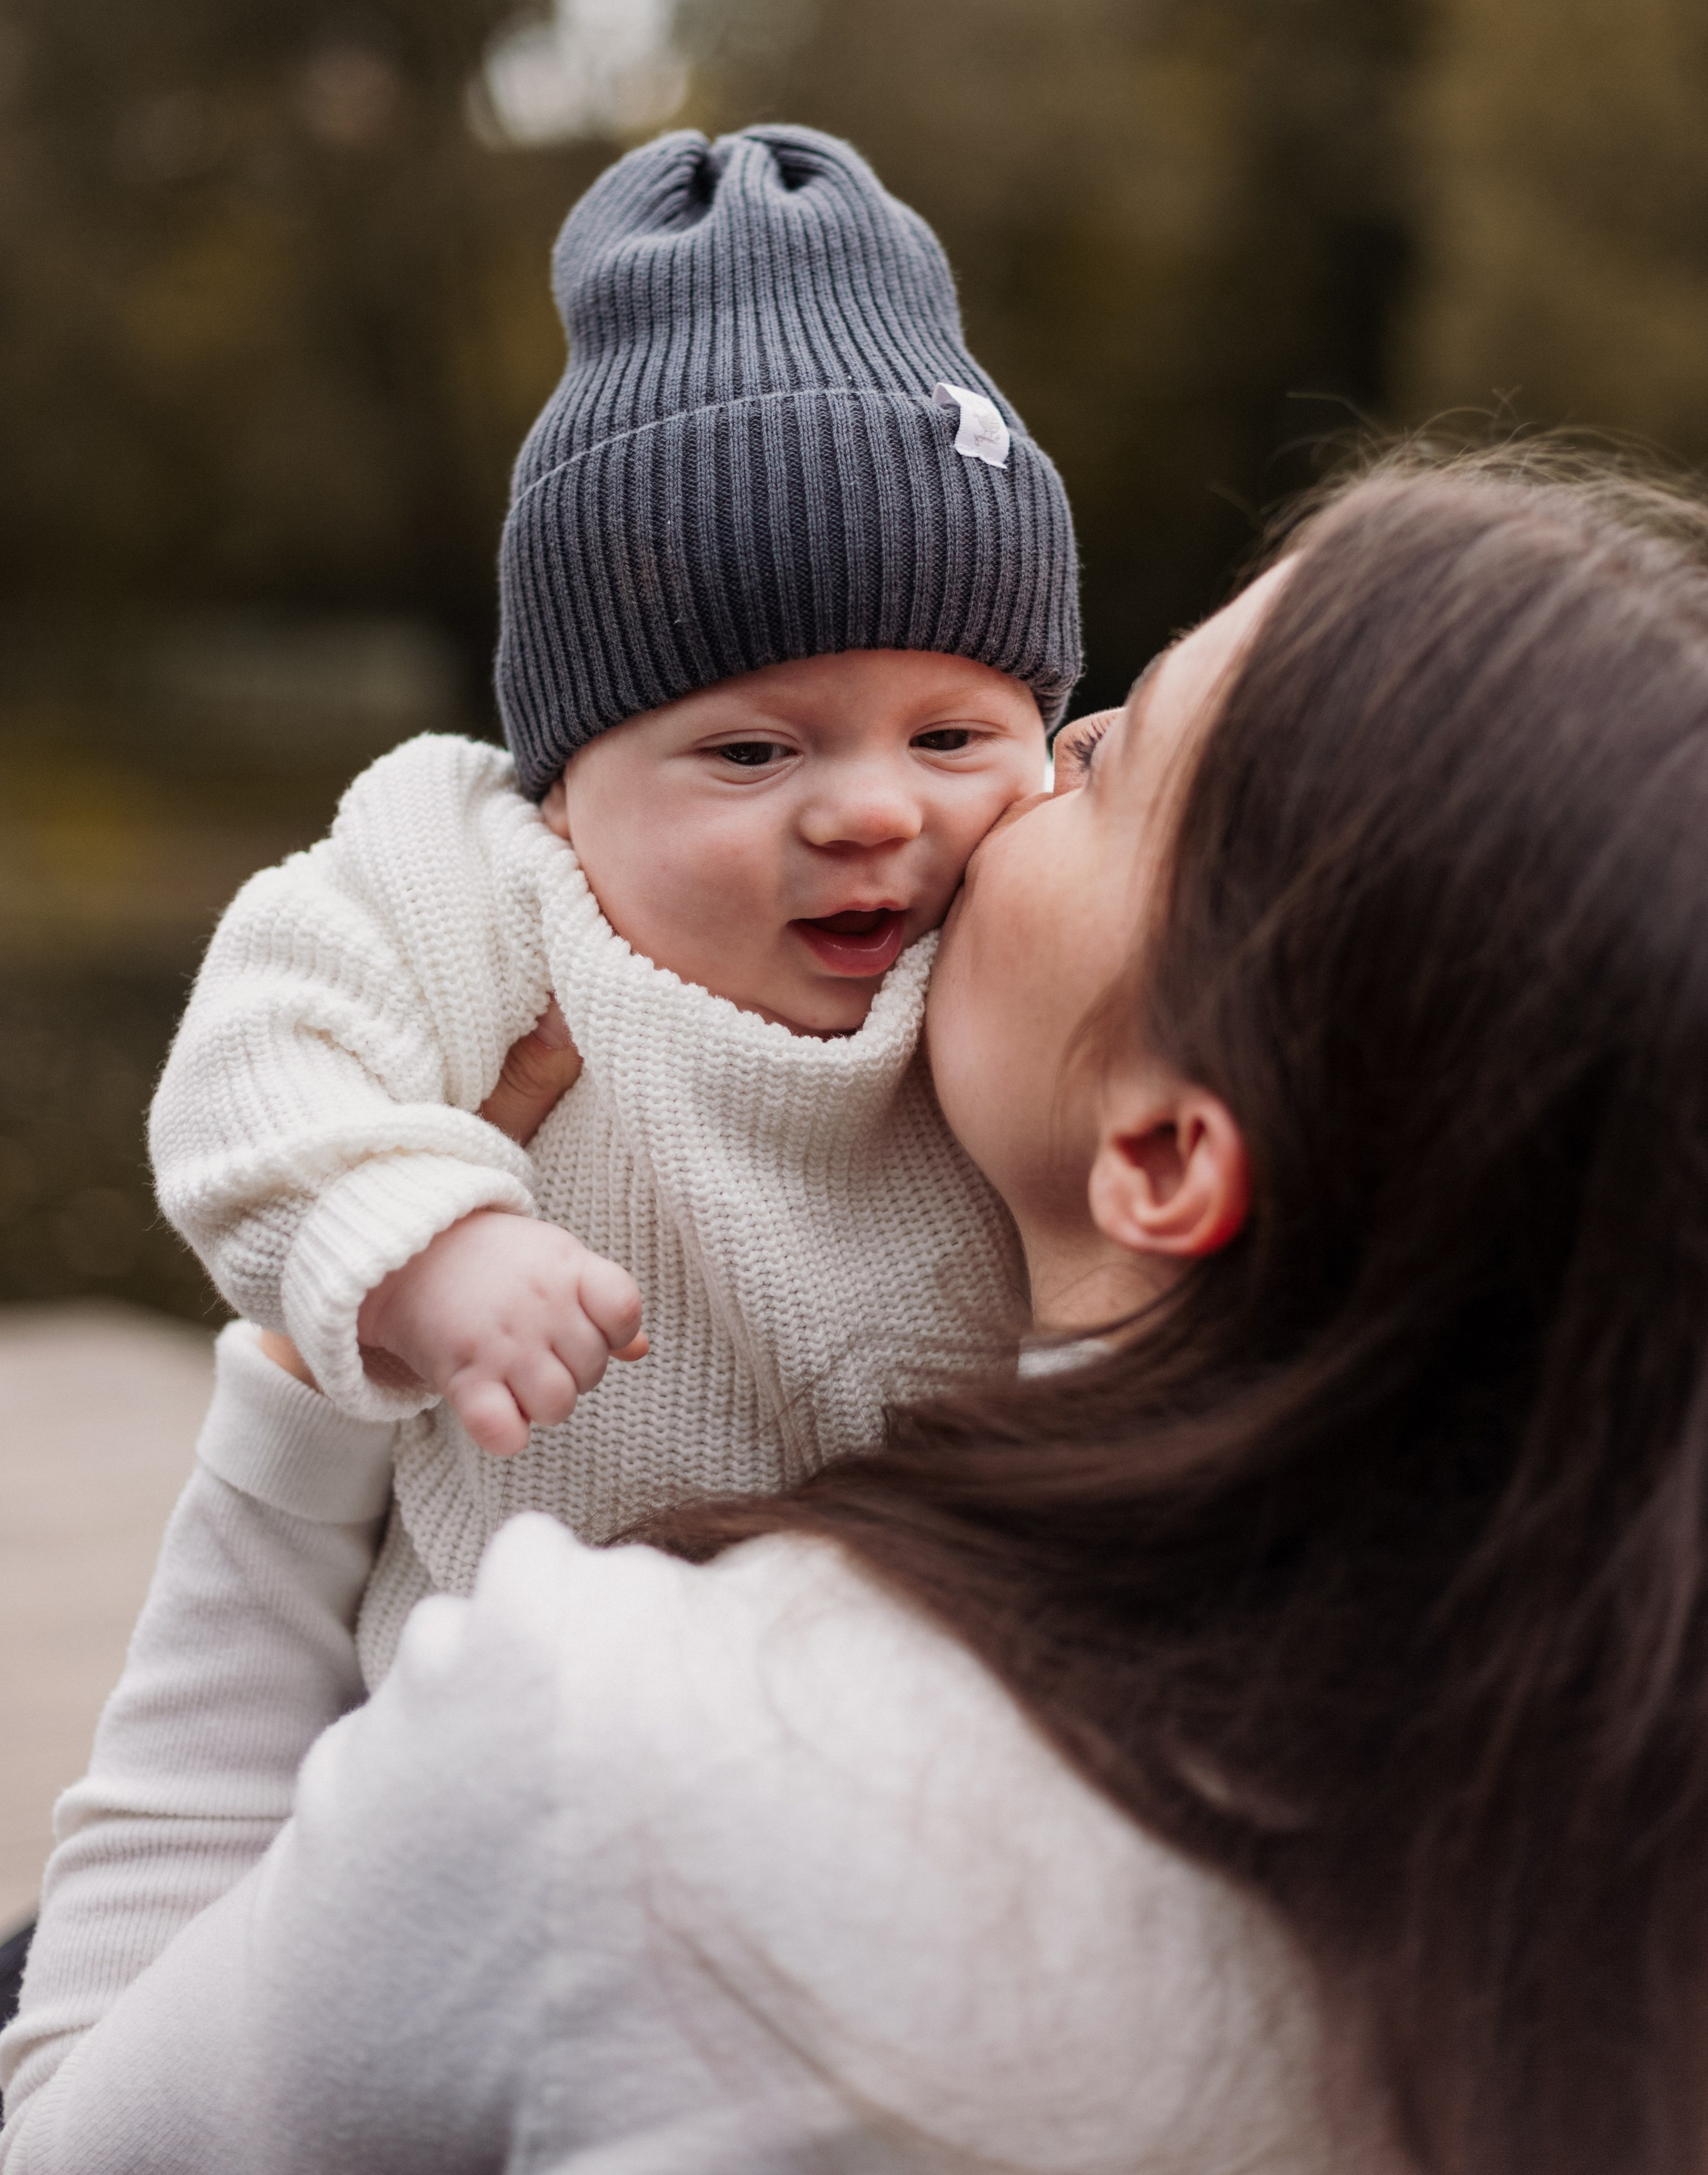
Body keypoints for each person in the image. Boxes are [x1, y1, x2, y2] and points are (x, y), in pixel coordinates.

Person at [8, 453, 1708, 2175]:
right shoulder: (1612, 1812)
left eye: (1103, 763)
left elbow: (76, 2132)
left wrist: (306, 1392)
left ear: (1162, 1154)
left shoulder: (614, 1750)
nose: (1010, 786)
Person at [147, 121, 1080, 1681]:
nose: (873, 811)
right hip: (489, 1738)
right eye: (750, 752)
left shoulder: (1038, 917)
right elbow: (250, 1073)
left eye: (950, 739)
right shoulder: (481, 891)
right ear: (565, 787)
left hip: (911, 1719)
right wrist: (425, 1245)